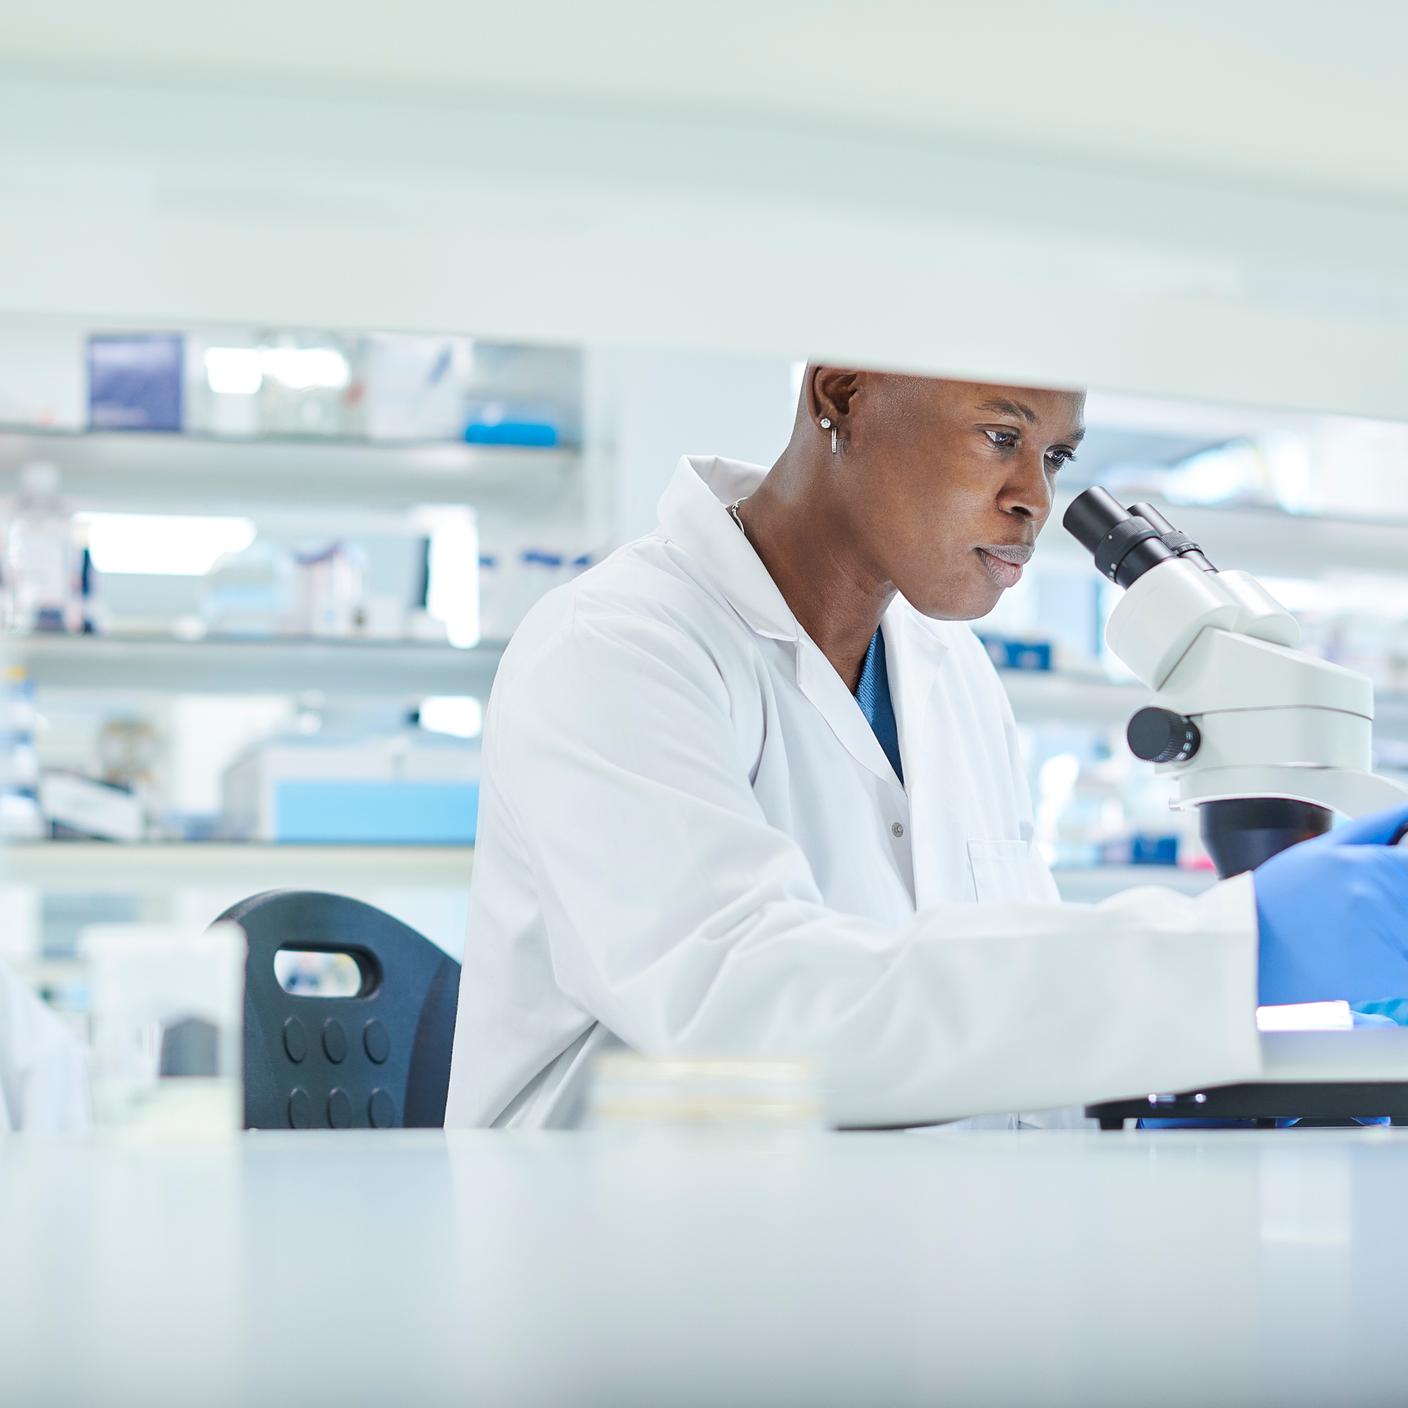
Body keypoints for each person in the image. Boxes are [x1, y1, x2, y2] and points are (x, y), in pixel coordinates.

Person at [444, 367, 1408, 1129]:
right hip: (611, 1273)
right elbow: (747, 1016)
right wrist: (1237, 952)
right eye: (1001, 436)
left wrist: (1201, 1068)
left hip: (874, 1258)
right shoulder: (617, 648)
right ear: (842, 396)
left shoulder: (948, 671)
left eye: (1058, 457)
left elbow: (990, 1026)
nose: (1034, 497)